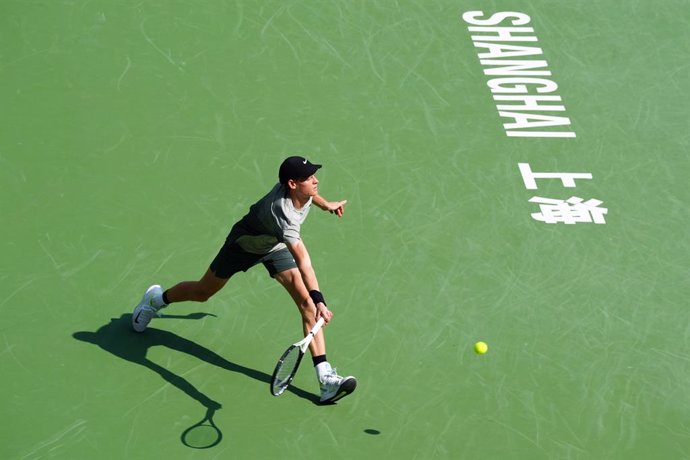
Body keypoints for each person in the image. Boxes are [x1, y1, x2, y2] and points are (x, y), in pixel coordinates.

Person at [131, 156, 357, 404]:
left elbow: (311, 195)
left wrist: (326, 205)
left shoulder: (301, 191)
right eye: (308, 178)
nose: (315, 180)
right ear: (292, 184)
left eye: (314, 175)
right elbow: (304, 263)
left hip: (274, 246)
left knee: (307, 306)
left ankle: (326, 381)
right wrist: (321, 300)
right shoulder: (283, 214)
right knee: (202, 292)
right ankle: (156, 300)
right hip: (243, 246)